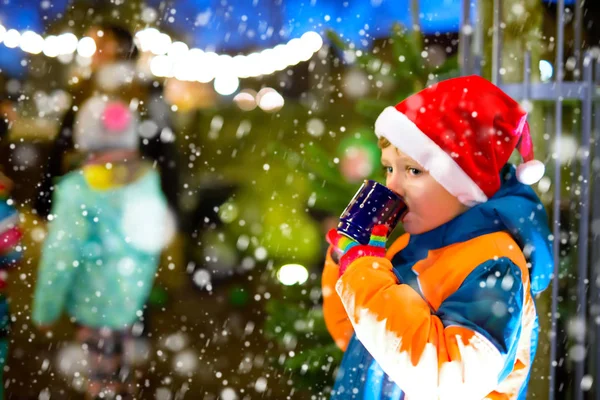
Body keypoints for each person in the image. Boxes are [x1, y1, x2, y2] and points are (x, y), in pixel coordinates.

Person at [323, 75, 553, 399]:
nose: (393, 187)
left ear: (465, 184)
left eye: (413, 171)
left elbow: (449, 378)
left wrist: (365, 276)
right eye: (389, 168)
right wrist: (345, 264)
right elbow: (361, 342)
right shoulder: (410, 246)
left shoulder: (494, 263)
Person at [32, 96, 174, 400]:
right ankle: (120, 386)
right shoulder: (146, 182)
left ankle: (105, 388)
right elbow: (153, 241)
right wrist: (135, 286)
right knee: (119, 365)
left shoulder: (77, 191)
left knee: (99, 373)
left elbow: (61, 255)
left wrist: (46, 308)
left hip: (90, 301)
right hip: (128, 299)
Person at [35, 22, 180, 223]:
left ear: (122, 47)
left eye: (103, 43)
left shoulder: (146, 92)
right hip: (85, 193)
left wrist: (169, 206)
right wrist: (46, 196)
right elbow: (63, 143)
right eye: (93, 44)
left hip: (132, 197)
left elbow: (163, 151)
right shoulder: (84, 89)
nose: (97, 51)